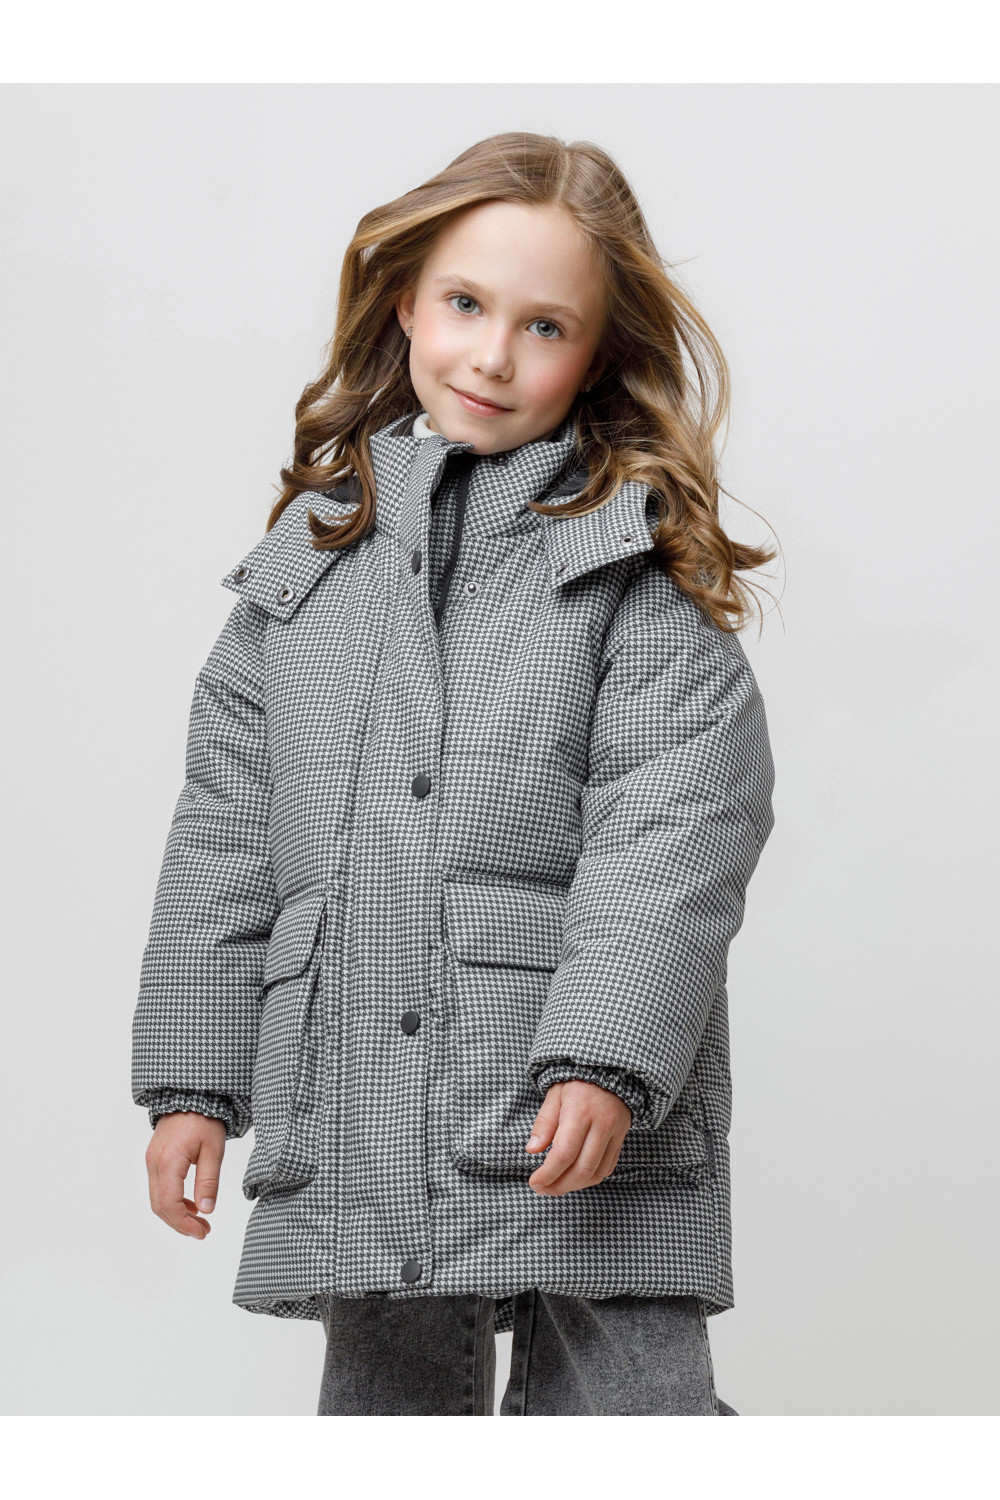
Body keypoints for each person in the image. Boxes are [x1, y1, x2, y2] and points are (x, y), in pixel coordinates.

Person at [132, 130, 777, 1416]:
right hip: (361, 1096)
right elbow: (224, 838)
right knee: (389, 1422)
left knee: (635, 1414)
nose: (491, 355)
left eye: (545, 326)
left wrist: (603, 1053)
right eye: (465, 304)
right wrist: (193, 1083)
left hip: (568, 1099)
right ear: (404, 305)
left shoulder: (627, 569)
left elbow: (679, 824)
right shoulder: (302, 576)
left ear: (599, 354)